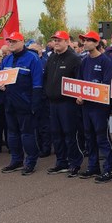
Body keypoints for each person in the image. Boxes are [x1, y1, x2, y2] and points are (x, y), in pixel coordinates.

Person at [0, 31, 44, 175]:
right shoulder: (6, 59)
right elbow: (1, 78)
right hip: (9, 102)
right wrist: (1, 85)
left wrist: (35, 105)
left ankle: (30, 162)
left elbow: (37, 84)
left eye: (14, 41)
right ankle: (16, 160)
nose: (11, 44)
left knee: (27, 134)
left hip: (26, 103)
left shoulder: (33, 58)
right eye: (9, 42)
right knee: (12, 134)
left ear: (22, 42)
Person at [76, 31, 112, 182]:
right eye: (84, 40)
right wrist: (79, 97)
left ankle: (110, 169)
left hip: (100, 107)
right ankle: (93, 167)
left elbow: (107, 85)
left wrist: (94, 93)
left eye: (87, 40)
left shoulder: (105, 61)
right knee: (89, 137)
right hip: (87, 106)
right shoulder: (84, 61)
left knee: (102, 137)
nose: (84, 43)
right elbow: (80, 83)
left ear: (96, 43)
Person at [43, 30, 82, 177]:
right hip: (53, 103)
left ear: (67, 42)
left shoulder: (74, 59)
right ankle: (61, 162)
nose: (56, 42)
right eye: (55, 40)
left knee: (69, 133)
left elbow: (79, 81)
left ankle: (74, 162)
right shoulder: (52, 57)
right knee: (56, 134)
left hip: (68, 103)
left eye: (60, 40)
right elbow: (46, 77)